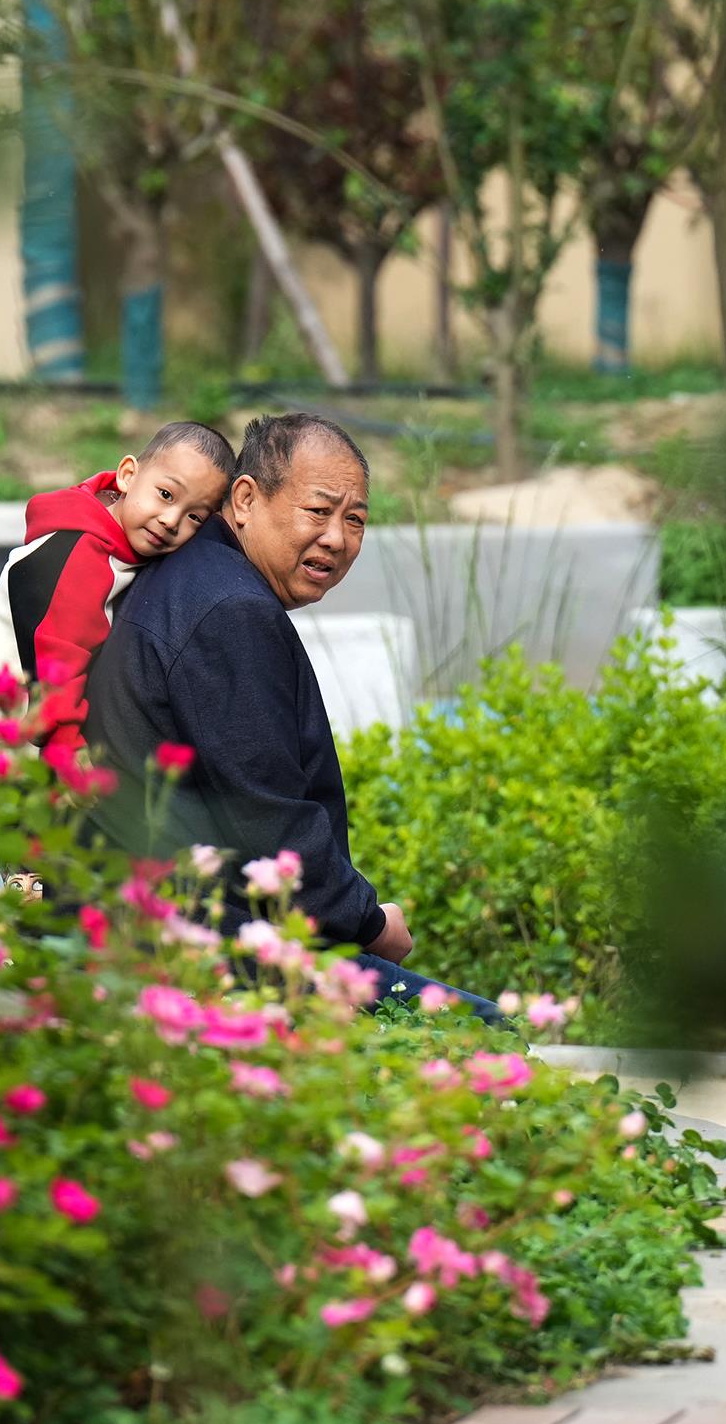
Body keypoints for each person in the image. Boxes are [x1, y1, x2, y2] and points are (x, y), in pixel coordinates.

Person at [80, 412, 501, 1023]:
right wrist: (369, 921)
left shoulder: (205, 579)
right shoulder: (229, 611)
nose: (336, 537)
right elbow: (268, 821)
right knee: (490, 1039)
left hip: (187, 926)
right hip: (207, 950)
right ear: (246, 499)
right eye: (318, 511)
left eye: (354, 520)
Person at [0, 420, 237, 772]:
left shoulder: (118, 540)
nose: (171, 520)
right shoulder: (81, 556)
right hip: (18, 750)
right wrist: (67, 751)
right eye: (166, 495)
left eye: (195, 517)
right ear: (127, 475)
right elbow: (56, 665)